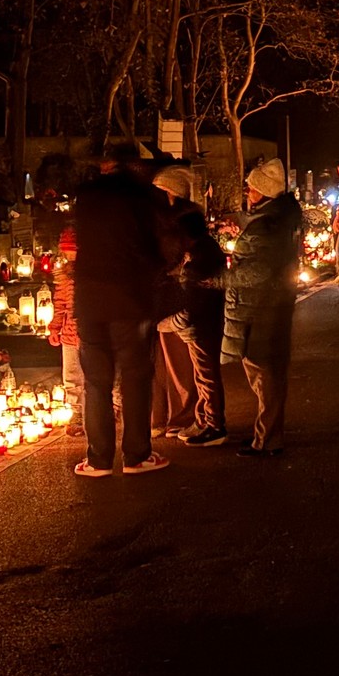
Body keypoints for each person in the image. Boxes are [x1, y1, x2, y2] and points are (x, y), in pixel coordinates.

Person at [71, 145, 169, 478]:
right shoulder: (141, 198)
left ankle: (98, 459)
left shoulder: (86, 197)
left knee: (96, 382)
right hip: (129, 299)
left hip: (89, 299)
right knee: (134, 377)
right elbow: (154, 249)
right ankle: (136, 455)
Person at [223, 159, 302, 456]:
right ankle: (266, 434)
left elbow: (255, 272)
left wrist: (218, 278)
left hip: (261, 309)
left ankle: (267, 439)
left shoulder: (268, 226)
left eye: (252, 188)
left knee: (263, 373)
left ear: (264, 192)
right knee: (268, 373)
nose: (248, 192)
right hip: (273, 305)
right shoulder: (278, 219)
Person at [151, 167, 230, 447]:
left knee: (206, 376)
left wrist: (167, 323)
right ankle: (204, 419)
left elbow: (193, 306)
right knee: (201, 375)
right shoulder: (202, 251)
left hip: (201, 327)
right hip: (202, 324)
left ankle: (214, 426)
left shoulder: (198, 261)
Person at [46, 225, 84, 435]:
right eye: (66, 251)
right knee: (71, 375)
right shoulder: (64, 276)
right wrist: (55, 327)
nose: (69, 255)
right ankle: (76, 412)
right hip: (69, 333)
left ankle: (103, 410)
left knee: (94, 374)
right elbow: (60, 303)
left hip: (89, 331)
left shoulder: (92, 273)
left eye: (72, 250)